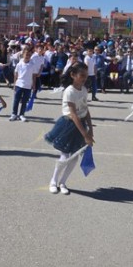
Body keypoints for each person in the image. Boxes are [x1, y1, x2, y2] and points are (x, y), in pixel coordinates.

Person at [45, 62, 94, 195]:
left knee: (74, 157)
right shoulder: (69, 91)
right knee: (65, 155)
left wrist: (90, 129)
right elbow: (73, 114)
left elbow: (85, 109)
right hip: (69, 125)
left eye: (86, 75)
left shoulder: (84, 89)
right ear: (73, 75)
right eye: (82, 75)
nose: (85, 78)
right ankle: (53, 181)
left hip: (81, 125)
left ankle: (63, 182)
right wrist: (85, 135)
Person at [10, 47, 38, 122]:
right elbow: (15, 74)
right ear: (23, 54)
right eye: (26, 54)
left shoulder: (32, 64)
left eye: (29, 54)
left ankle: (21, 114)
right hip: (19, 84)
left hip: (28, 86)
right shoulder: (19, 64)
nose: (27, 56)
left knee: (24, 101)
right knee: (16, 100)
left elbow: (34, 75)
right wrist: (14, 83)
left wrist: (34, 84)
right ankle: (14, 114)